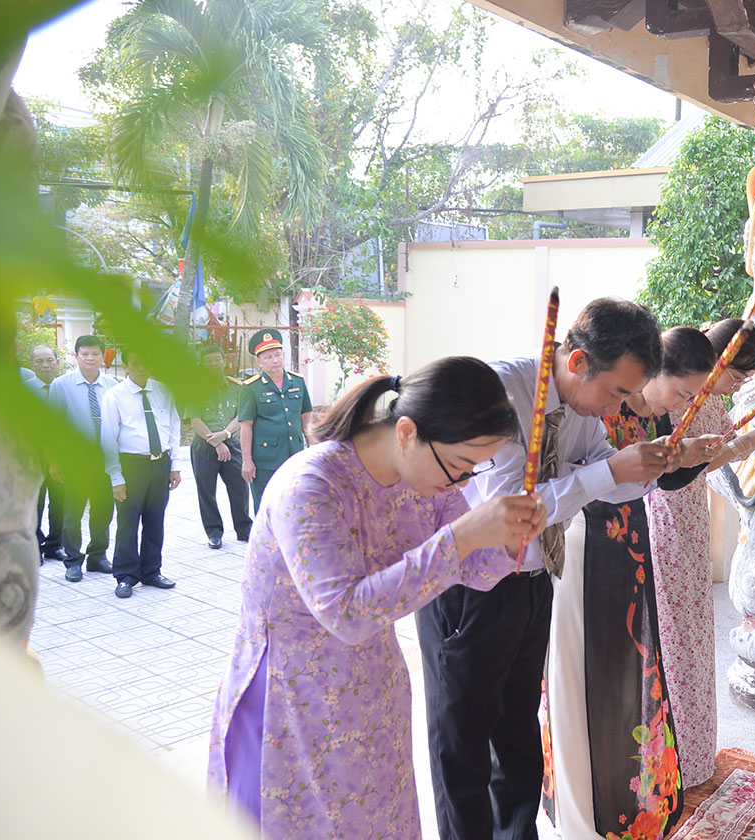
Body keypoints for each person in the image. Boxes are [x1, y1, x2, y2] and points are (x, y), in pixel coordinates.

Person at [208, 359, 546, 839]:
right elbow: (344, 614)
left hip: (371, 686)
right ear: (407, 431)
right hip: (294, 693)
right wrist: (463, 537)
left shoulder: (431, 481)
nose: (467, 481)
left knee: (380, 818)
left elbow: (475, 566)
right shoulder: (312, 484)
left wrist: (512, 537)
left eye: (477, 467)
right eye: (461, 464)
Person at [416, 298, 676, 840]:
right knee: (462, 744)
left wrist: (651, 466)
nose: (614, 408)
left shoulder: (580, 411)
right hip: (471, 587)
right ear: (577, 361)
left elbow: (600, 478)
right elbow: (513, 508)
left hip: (534, 584)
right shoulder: (501, 394)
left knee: (518, 739)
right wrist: (608, 472)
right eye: (616, 392)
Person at [542, 325, 725, 839]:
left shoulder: (630, 408)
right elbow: (580, 484)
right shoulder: (596, 404)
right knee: (580, 676)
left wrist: (684, 455)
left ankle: (620, 803)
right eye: (683, 392)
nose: (683, 402)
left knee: (627, 670)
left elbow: (644, 482)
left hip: (627, 542)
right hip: (585, 543)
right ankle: (580, 811)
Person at [645, 319, 755, 789]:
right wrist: (742, 443)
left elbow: (708, 458)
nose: (736, 387)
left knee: (694, 637)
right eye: (738, 377)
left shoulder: (708, 400)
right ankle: (668, 759)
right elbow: (674, 471)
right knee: (670, 638)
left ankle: (695, 757)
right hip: (662, 522)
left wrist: (745, 441)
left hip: (690, 520)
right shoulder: (667, 402)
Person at [99, 347, 185, 599]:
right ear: (125, 366)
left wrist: (175, 466)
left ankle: (151, 571)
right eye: (135, 364)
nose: (141, 368)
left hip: (159, 464)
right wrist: (116, 477)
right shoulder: (114, 396)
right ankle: (125, 576)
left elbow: (174, 429)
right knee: (127, 521)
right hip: (130, 465)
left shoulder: (163, 391)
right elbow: (108, 439)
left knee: (155, 519)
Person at [46, 335, 117, 582]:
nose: (90, 358)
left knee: (103, 511)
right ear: (76, 356)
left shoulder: (112, 384)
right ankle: (73, 561)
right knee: (72, 513)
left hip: (106, 460)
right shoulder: (61, 385)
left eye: (95, 354)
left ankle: (97, 557)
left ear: (102, 357)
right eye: (84, 354)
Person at [238, 329, 312, 513]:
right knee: (266, 505)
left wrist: (312, 447)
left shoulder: (298, 382)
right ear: (259, 361)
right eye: (269, 357)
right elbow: (246, 426)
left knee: (295, 502)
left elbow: (306, 418)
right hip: (265, 460)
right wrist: (247, 461)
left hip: (294, 455)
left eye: (278, 355)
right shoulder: (251, 388)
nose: (275, 360)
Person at [187, 344, 252, 549]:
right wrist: (215, 442)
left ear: (224, 362)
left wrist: (224, 435)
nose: (214, 364)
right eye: (209, 361)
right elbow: (195, 421)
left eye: (217, 359)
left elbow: (240, 416)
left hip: (231, 443)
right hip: (204, 445)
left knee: (240, 487)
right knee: (206, 490)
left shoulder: (237, 386)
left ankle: (244, 529)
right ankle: (214, 532)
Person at [28, 344, 67, 564]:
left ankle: (55, 545)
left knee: (60, 502)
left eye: (49, 360)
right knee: (35, 503)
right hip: (32, 457)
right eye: (39, 361)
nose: (45, 365)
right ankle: (34, 546)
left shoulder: (65, 388)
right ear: (31, 364)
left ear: (57, 362)